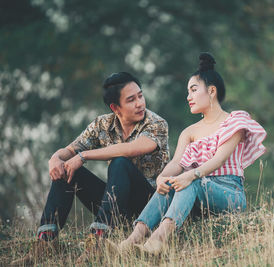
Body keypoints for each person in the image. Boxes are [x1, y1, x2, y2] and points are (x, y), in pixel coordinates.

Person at [11, 72, 169, 265]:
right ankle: (46, 243)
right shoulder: (102, 124)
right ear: (115, 108)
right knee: (68, 169)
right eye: (131, 100)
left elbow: (130, 149)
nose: (140, 103)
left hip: (148, 206)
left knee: (120, 162)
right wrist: (56, 158)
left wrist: (83, 156)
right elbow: (70, 150)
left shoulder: (156, 123)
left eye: (140, 96)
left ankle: (98, 241)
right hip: (116, 206)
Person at [117, 53, 267, 255]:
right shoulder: (189, 132)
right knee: (173, 180)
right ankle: (133, 239)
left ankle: (160, 238)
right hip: (196, 198)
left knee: (193, 180)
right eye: (188, 91)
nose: (188, 97)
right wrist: (163, 177)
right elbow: (177, 162)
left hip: (229, 194)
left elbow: (218, 159)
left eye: (193, 90)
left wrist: (192, 175)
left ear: (211, 91)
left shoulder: (235, 121)